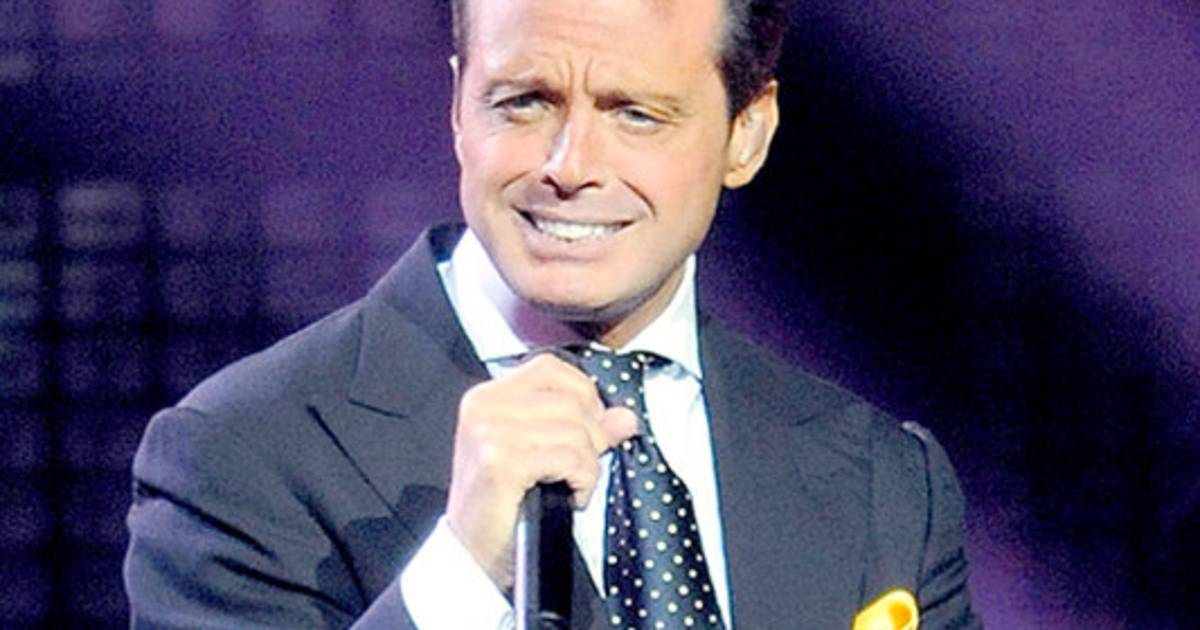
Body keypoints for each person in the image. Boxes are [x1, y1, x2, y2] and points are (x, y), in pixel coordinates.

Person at [124, 0, 980, 627]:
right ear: (459, 107)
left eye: (636, 115)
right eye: (524, 101)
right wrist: (460, 576)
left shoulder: (882, 483)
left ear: (747, 133)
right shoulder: (239, 457)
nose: (569, 166)